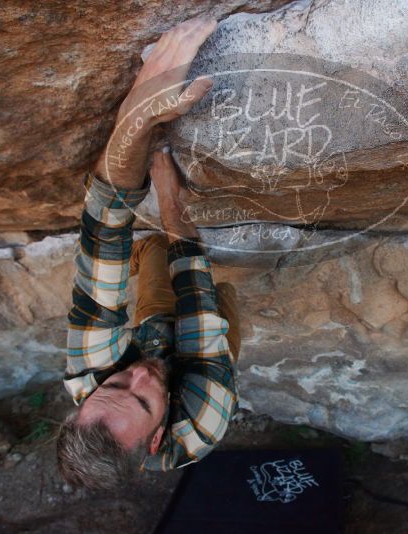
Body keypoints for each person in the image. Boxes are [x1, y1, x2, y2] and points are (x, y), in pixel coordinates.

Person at [56, 16, 241, 489]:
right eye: (142, 400)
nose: (135, 376)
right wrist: (171, 200)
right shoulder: (200, 423)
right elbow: (199, 318)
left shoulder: (87, 380)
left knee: (157, 251)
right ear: (157, 437)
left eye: (116, 384)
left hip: (153, 330)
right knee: (222, 297)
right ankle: (211, 284)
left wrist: (139, 111)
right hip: (200, 357)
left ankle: (149, 256)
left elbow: (103, 228)